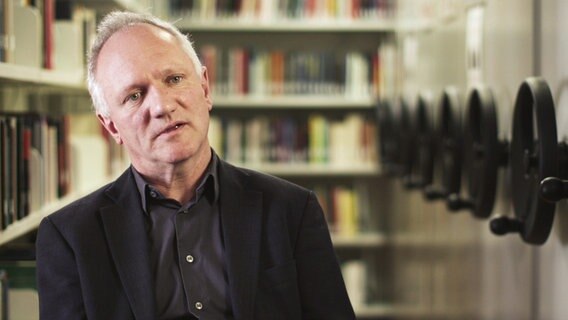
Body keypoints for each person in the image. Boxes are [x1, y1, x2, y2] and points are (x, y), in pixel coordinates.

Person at [35, 10, 355, 320]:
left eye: (174, 79)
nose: (161, 106)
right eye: (134, 96)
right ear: (111, 127)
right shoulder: (69, 238)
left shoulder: (293, 210)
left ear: (204, 88)